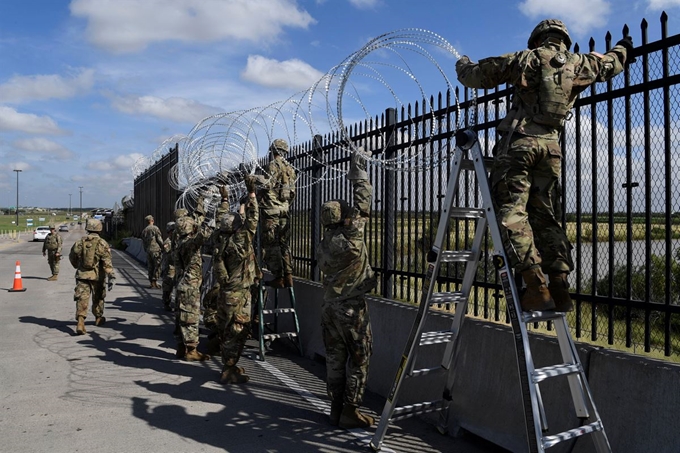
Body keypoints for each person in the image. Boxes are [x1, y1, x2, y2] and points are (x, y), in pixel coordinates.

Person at [455, 18, 632, 312]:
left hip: (519, 146)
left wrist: (462, 63)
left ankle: (536, 286)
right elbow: (612, 63)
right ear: (564, 39)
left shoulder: (527, 58)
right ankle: (560, 287)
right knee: (546, 216)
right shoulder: (581, 63)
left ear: (537, 39)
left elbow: (476, 77)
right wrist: (623, 47)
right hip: (551, 149)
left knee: (512, 214)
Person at [317, 148, 377, 429]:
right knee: (359, 358)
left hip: (329, 308)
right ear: (343, 218)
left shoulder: (324, 243)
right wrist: (359, 172)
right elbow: (364, 204)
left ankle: (335, 406)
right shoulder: (351, 238)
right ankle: (351, 409)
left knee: (334, 358)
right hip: (351, 308)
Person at [214, 176, 259, 384]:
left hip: (225, 292)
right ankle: (228, 369)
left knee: (226, 329)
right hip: (238, 294)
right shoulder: (241, 239)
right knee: (237, 330)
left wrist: (226, 200)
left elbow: (223, 218)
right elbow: (253, 219)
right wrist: (252, 194)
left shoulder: (221, 237)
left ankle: (229, 364)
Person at [173, 197, 213, 361]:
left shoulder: (180, 240)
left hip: (183, 286)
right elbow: (202, 237)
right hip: (189, 287)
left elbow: (196, 222)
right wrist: (212, 222)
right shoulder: (188, 243)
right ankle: (191, 350)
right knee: (191, 318)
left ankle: (181, 348)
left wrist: (201, 203)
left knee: (181, 318)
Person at [256, 139, 296, 289]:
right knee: (284, 244)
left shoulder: (272, 165)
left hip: (271, 210)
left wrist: (255, 179)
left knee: (271, 244)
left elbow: (269, 184)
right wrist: (284, 206)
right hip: (284, 210)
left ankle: (278, 277)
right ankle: (288, 275)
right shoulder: (290, 169)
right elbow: (292, 193)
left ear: (273, 151)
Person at [68, 218, 116, 335]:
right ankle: (98, 318)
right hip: (97, 276)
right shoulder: (102, 243)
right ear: (99, 228)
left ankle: (80, 321)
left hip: (82, 275)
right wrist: (111, 275)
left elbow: (72, 257)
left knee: (82, 298)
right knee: (98, 297)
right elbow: (107, 263)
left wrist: (77, 266)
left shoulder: (80, 242)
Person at [141, 214, 164, 289]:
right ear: (152, 220)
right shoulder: (155, 228)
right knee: (158, 265)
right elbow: (159, 239)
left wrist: (146, 249)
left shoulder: (144, 230)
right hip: (156, 249)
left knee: (150, 266)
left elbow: (143, 241)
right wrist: (163, 247)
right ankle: (155, 280)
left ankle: (151, 281)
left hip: (148, 250)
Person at [160, 221, 176, 312]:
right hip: (169, 268)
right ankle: (166, 303)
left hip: (176, 267)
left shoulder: (176, 241)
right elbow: (170, 255)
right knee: (167, 287)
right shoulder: (168, 242)